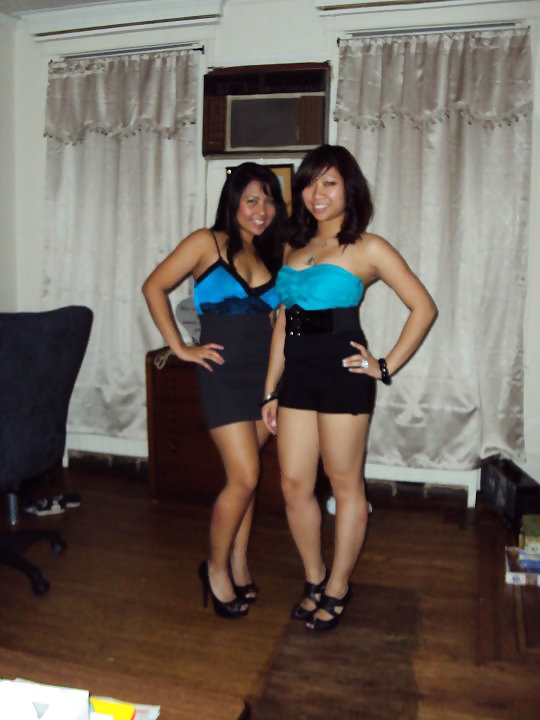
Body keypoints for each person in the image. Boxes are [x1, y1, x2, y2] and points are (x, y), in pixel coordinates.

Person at [262, 145, 437, 632]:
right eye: (309, 183)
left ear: (349, 189)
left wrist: (384, 366)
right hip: (298, 377)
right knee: (294, 484)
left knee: (344, 485)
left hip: (343, 375)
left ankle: (339, 586)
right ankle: (315, 576)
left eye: (329, 182)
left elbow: (423, 307)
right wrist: (270, 389)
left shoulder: (367, 247)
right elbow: (285, 322)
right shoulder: (293, 247)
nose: (316, 193)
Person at [142, 163, 286, 619]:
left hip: (263, 380)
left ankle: (239, 561)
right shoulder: (206, 242)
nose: (261, 209)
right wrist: (180, 347)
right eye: (252, 200)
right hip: (222, 375)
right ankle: (215, 568)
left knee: (247, 478)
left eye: (269, 201)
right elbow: (154, 286)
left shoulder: (270, 253)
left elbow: (278, 322)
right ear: (233, 202)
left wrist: (277, 384)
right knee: (244, 476)